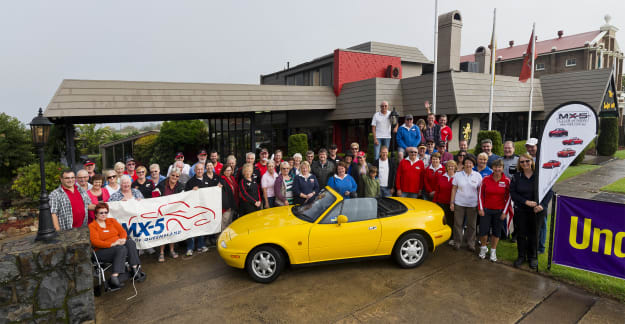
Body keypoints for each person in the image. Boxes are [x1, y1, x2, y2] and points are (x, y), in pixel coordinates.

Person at [510, 153, 552, 269]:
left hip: (537, 210)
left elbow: (549, 191)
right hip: (521, 209)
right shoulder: (516, 177)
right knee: (521, 234)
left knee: (534, 234)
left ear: (531, 161)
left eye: (527, 161)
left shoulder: (540, 176)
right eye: (522, 162)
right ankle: (521, 256)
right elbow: (513, 194)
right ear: (519, 164)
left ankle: (533, 257)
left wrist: (542, 205)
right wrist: (525, 201)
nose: (525, 164)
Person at [89, 202, 146, 289]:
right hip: (101, 251)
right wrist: (112, 244)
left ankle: (135, 269)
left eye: (105, 212)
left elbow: (122, 231)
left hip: (118, 246)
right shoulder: (92, 226)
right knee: (121, 249)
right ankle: (114, 277)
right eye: (101, 213)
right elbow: (95, 242)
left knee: (130, 242)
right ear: (96, 214)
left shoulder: (111, 221)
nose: (104, 214)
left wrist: (123, 239)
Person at [477, 159, 511, 262]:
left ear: (502, 168)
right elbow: (480, 195)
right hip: (486, 210)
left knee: (496, 233)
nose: (497, 169)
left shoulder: (507, 181)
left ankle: (493, 251)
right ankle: (483, 248)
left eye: (499, 167)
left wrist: (505, 212)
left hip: (499, 211)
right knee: (483, 231)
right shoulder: (486, 179)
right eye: (495, 167)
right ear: (492, 168)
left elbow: (509, 197)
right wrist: (481, 208)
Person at [450, 154, 482, 251]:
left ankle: (471, 244)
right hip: (459, 204)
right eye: (467, 163)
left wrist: (480, 205)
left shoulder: (478, 176)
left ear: (473, 164)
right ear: (463, 164)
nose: (468, 165)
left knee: (472, 225)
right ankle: (457, 243)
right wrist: (452, 202)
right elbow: (454, 189)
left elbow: (480, 191)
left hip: (472, 205)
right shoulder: (458, 175)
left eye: (470, 163)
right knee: (458, 224)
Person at [153, 168, 184, 262]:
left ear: (179, 178)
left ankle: (171, 250)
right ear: (169, 175)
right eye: (173, 175)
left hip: (174, 213)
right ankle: (161, 252)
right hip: (162, 213)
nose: (174, 177)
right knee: (163, 233)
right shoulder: (162, 184)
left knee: (172, 232)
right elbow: (154, 196)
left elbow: (183, 198)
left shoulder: (180, 186)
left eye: (177, 176)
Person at [184, 163, 215, 256]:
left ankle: (201, 246)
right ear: (194, 170)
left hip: (204, 209)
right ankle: (190, 248)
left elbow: (213, 191)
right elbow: (185, 195)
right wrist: (191, 191)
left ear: (204, 170)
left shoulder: (207, 180)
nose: (200, 171)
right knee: (191, 229)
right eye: (198, 169)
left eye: (201, 169)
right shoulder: (190, 182)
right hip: (193, 209)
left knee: (202, 228)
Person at [434, 160, 457, 246]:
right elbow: (437, 190)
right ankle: (442, 237)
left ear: (455, 168)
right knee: (442, 221)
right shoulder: (441, 177)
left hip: (452, 203)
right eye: (449, 166)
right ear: (446, 168)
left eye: (452, 166)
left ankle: (452, 237)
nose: (450, 167)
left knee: (452, 221)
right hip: (441, 202)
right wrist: (434, 202)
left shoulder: (457, 178)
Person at [219, 165, 239, 229]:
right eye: (227, 170)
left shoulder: (232, 178)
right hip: (227, 207)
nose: (228, 172)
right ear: (223, 171)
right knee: (225, 223)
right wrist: (227, 206)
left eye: (229, 170)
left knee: (230, 222)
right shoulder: (222, 180)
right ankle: (222, 238)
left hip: (233, 203)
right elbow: (223, 195)